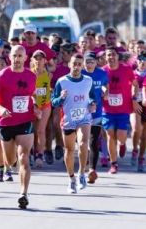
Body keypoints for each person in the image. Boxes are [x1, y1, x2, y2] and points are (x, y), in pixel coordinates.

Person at [0, 45, 37, 209]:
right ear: (10, 57)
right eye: (14, 55)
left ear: (25, 58)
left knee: (24, 158)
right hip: (6, 122)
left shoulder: (31, 75)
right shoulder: (2, 76)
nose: (17, 59)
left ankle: (23, 193)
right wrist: (0, 108)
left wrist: (36, 106)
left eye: (20, 56)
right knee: (11, 160)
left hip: (25, 121)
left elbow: (34, 95)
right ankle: (11, 163)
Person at [52, 54, 94, 193]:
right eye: (74, 64)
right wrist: (61, 97)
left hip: (84, 118)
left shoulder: (88, 80)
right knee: (69, 150)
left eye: (79, 64)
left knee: (83, 143)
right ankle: (71, 179)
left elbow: (92, 97)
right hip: (68, 119)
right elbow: (54, 102)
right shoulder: (62, 81)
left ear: (82, 66)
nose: (76, 67)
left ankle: (82, 173)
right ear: (69, 64)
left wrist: (93, 104)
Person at [102, 48, 140, 174]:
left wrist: (134, 99)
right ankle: (113, 164)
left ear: (118, 57)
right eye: (108, 55)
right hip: (107, 109)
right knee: (110, 135)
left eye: (113, 55)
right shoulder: (103, 71)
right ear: (105, 58)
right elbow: (99, 86)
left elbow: (135, 84)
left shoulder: (126, 69)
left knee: (121, 136)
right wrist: (104, 91)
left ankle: (122, 144)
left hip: (123, 108)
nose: (111, 57)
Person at [81, 52, 107, 183]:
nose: (89, 64)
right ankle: (84, 163)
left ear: (96, 62)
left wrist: (106, 92)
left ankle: (92, 169)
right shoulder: (79, 74)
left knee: (93, 140)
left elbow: (105, 86)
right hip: (80, 112)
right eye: (87, 61)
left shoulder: (101, 74)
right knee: (82, 141)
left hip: (96, 112)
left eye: (92, 61)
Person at [31, 51, 52, 168]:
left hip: (45, 105)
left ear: (45, 61)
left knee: (41, 130)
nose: (38, 61)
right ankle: (32, 151)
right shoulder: (29, 73)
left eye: (41, 58)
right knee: (32, 130)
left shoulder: (49, 74)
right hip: (32, 106)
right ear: (32, 60)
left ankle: (40, 154)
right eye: (36, 58)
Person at [132, 54, 146, 172]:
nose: (142, 62)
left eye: (145, 60)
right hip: (135, 103)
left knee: (145, 134)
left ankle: (141, 157)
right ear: (136, 61)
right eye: (140, 60)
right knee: (136, 128)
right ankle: (135, 148)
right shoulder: (132, 73)